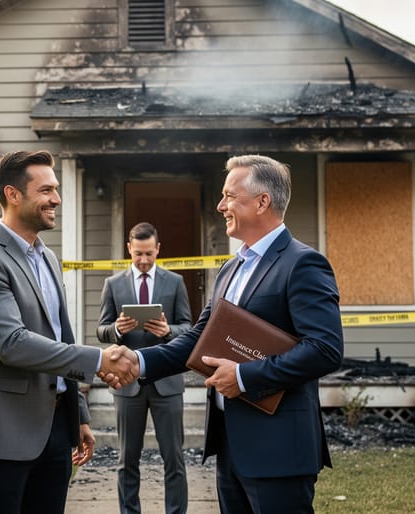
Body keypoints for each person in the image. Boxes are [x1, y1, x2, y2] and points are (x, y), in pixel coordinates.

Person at [112, 154, 344, 514]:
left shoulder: (302, 263)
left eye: (229, 196)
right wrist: (137, 361)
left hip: (279, 449)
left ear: (262, 202)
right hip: (230, 448)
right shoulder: (230, 269)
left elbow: (325, 349)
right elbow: (198, 338)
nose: (220, 206)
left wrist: (244, 376)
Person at [0, 149, 137, 514]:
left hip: (55, 429)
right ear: (13, 194)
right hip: (2, 433)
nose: (56, 199)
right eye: (46, 190)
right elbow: (13, 344)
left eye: (56, 189)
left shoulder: (48, 258)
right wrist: (99, 359)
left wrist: (78, 414)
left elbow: (60, 337)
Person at [97, 222, 193, 514]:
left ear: (158, 249)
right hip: (127, 384)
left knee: (174, 459)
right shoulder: (113, 284)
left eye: (149, 253)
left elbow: (189, 328)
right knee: (127, 460)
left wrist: (168, 331)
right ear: (129, 248)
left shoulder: (175, 282)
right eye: (138, 253)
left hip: (167, 383)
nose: (143, 260)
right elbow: (101, 330)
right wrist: (117, 329)